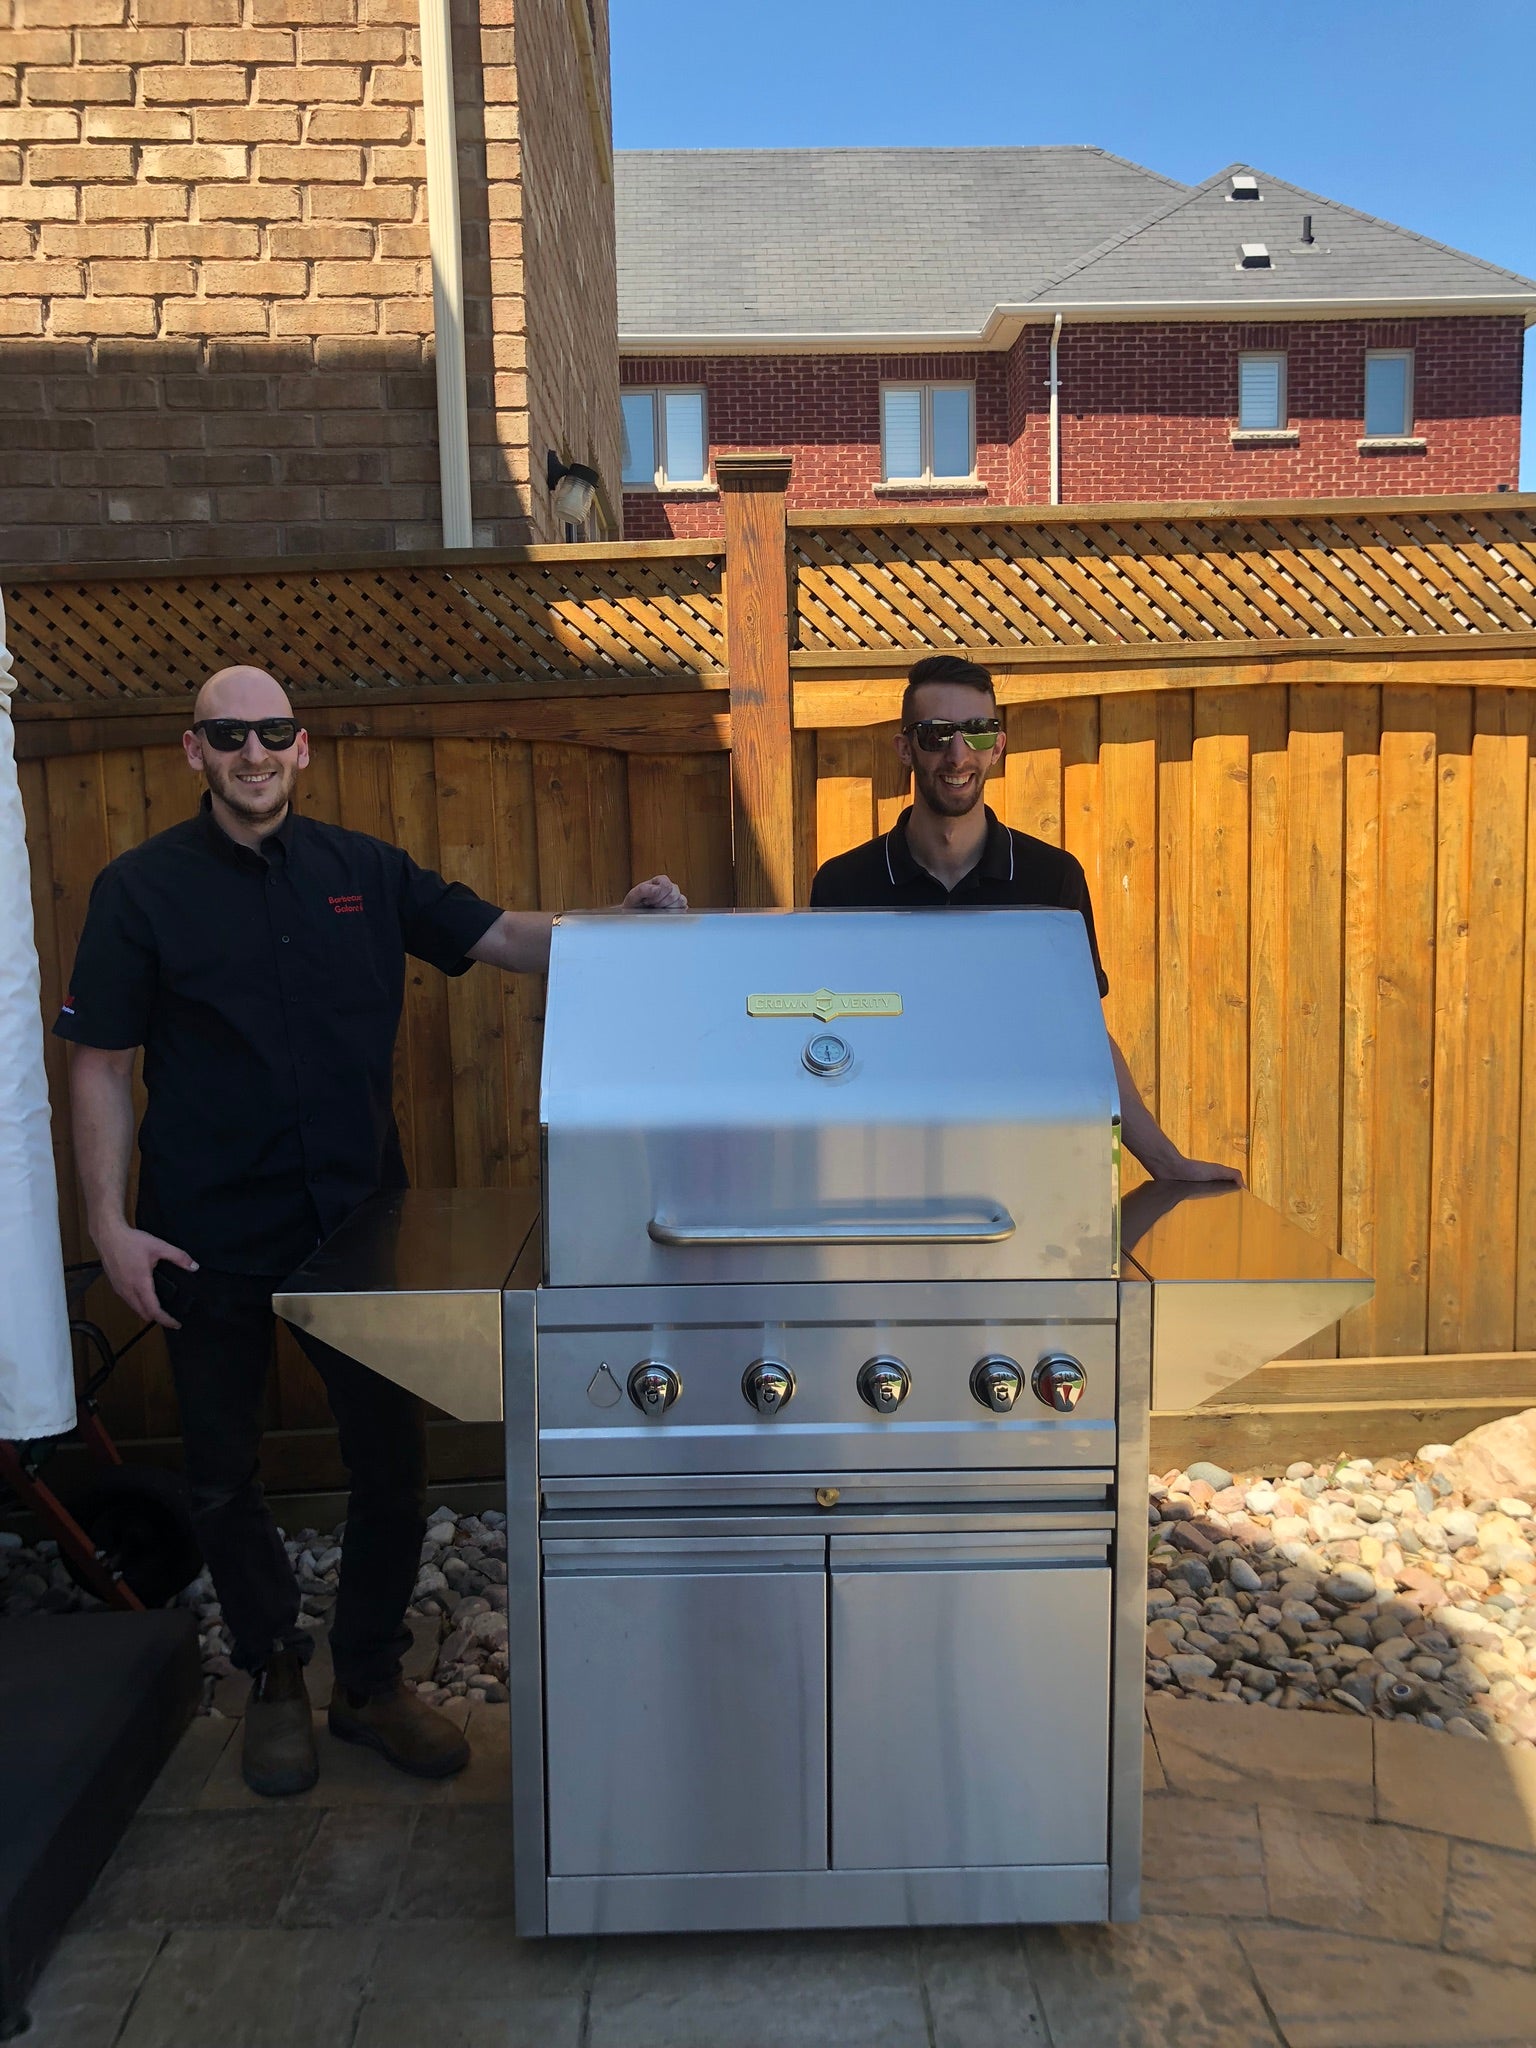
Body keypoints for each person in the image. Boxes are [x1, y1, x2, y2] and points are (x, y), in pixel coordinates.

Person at [56, 665, 686, 1798]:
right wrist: (109, 1224)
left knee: (389, 1464)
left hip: (355, 1222)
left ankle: (369, 1680)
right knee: (220, 1475)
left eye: (275, 731)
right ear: (193, 750)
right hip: (203, 1231)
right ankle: (275, 1677)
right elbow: (99, 1063)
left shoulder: (362, 870)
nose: (256, 751)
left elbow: (498, 933)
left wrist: (620, 929)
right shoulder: (137, 890)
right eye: (230, 733)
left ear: (304, 747)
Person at [810, 654, 1242, 1187]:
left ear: (1000, 744)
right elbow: (820, 1042)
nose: (957, 753)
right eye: (936, 734)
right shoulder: (844, 884)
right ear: (905, 747)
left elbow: (1084, 1036)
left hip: (1023, 1176)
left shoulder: (1050, 880)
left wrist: (1166, 1163)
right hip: (881, 1174)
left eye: (977, 731)